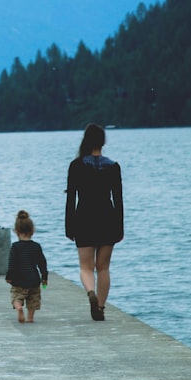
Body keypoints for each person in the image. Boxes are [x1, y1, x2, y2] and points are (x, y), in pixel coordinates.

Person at [65, 123, 123, 321]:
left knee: (86, 267)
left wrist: (69, 226)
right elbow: (118, 200)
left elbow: (71, 199)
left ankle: (91, 292)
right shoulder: (113, 166)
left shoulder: (76, 166)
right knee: (104, 268)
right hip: (108, 220)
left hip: (84, 219)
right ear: (103, 142)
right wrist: (120, 228)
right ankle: (100, 307)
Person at [5, 210, 49, 323]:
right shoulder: (36, 246)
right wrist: (44, 277)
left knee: (16, 296)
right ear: (32, 231)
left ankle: (19, 307)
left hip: (18, 279)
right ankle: (30, 318)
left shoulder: (15, 247)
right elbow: (42, 263)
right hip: (33, 279)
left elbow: (12, 263)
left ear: (16, 231)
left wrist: (9, 276)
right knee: (33, 299)